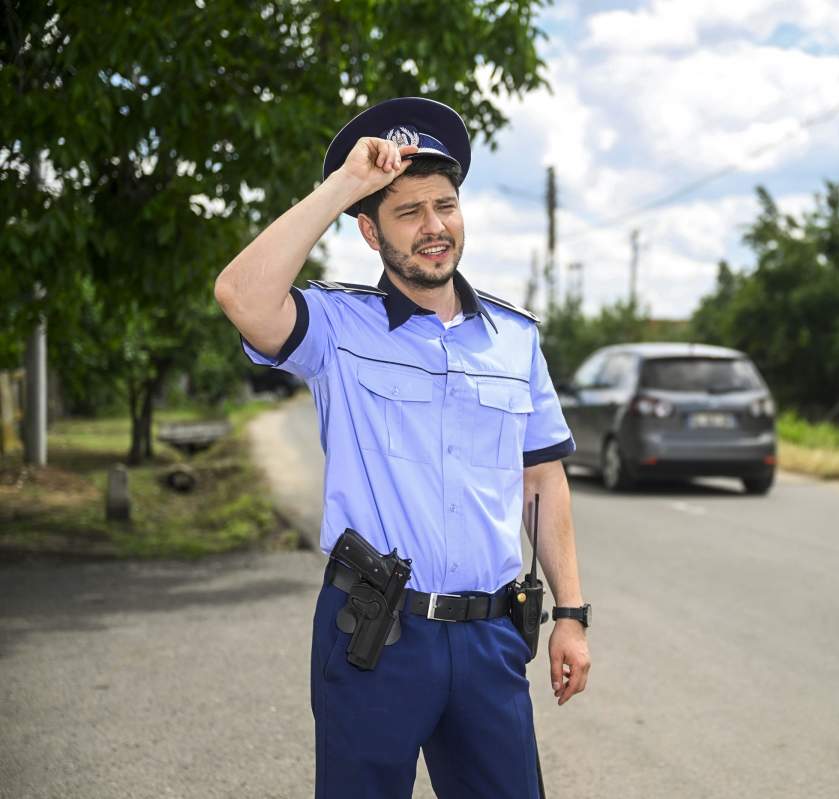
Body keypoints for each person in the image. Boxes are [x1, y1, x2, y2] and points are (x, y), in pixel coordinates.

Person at [214, 97, 591, 799]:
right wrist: (341, 185)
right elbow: (239, 293)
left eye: (444, 205)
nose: (434, 228)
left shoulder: (516, 340)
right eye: (408, 212)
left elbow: (542, 478)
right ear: (369, 229)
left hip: (489, 638)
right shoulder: (337, 328)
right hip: (376, 634)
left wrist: (570, 613)